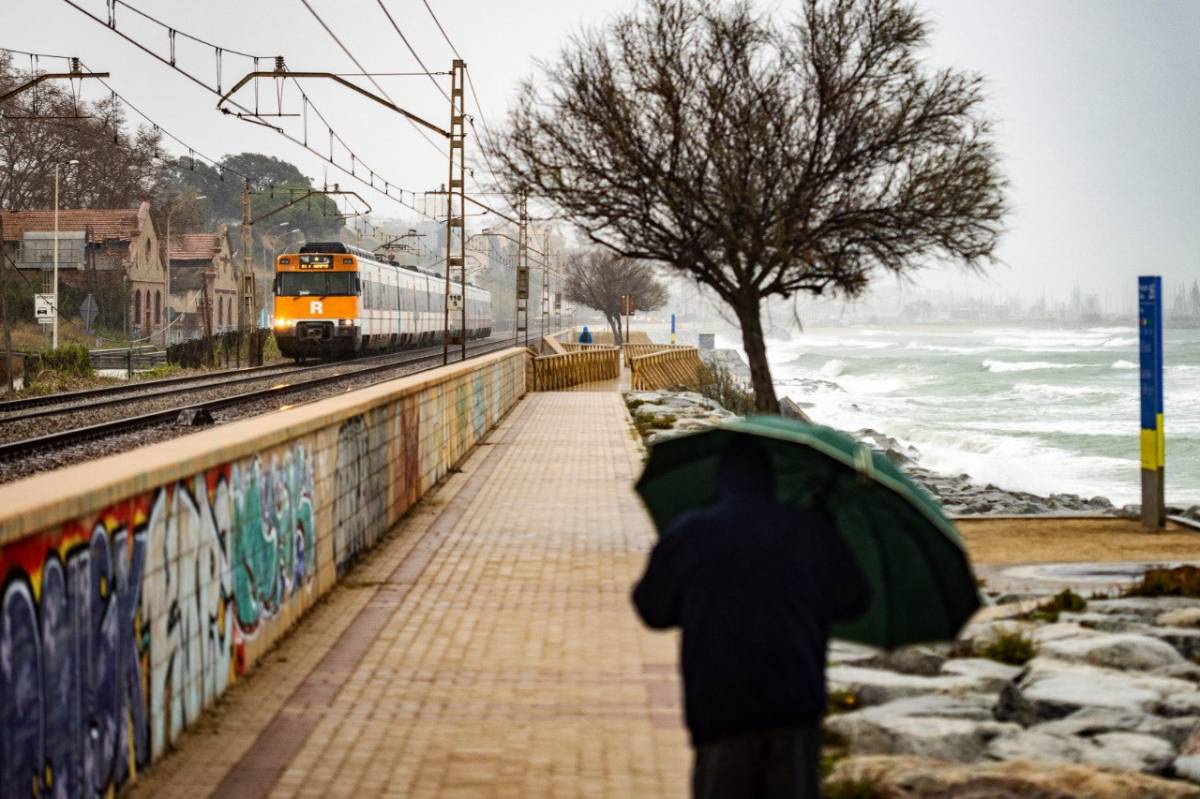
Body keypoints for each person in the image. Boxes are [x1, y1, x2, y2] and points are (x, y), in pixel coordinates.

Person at [632, 438, 871, 799]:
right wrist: (826, 535)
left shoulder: (690, 531)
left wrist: (697, 601)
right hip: (793, 707)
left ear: (720, 481)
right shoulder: (808, 530)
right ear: (771, 481)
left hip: (719, 708)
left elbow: (652, 608)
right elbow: (853, 600)